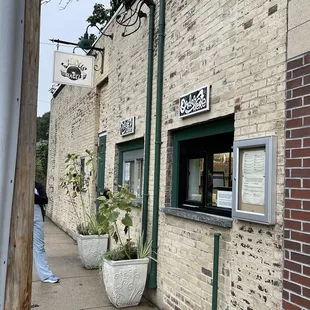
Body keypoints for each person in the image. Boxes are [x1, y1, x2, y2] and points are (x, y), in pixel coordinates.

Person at [34, 181, 59, 283]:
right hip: (20, 216)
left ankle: (45, 275)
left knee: (39, 246)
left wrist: (31, 196)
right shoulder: (15, 182)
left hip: (37, 217)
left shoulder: (37, 185)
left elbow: (45, 200)